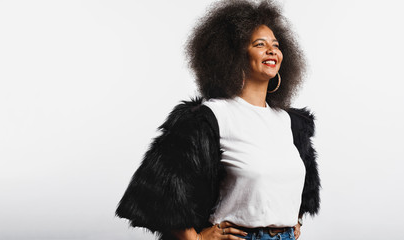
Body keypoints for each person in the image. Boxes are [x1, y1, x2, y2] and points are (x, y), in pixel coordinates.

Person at [115, 0, 320, 240]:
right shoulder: (209, 119)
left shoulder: (290, 123)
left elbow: (297, 187)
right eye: (259, 44)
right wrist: (198, 239)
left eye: (275, 45)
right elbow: (159, 193)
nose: (272, 50)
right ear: (234, 56)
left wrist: (291, 221)